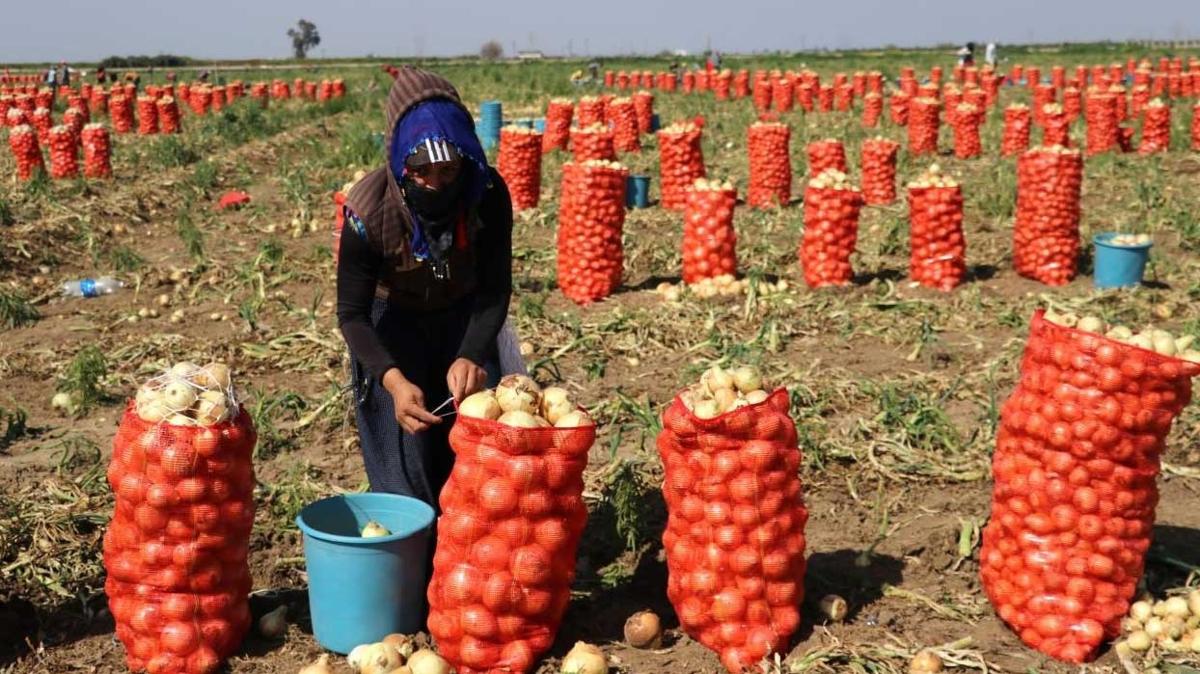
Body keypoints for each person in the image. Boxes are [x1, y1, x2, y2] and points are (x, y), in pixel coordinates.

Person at [337, 66, 516, 508]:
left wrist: (472, 352)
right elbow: (352, 314)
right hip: (390, 325)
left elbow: (495, 288)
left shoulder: (487, 194)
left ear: (465, 158)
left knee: (473, 454)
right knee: (406, 462)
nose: (435, 183)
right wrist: (393, 380)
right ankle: (413, 560)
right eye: (421, 170)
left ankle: (463, 559)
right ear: (400, 160)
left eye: (448, 169)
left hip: (463, 316)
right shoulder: (368, 209)